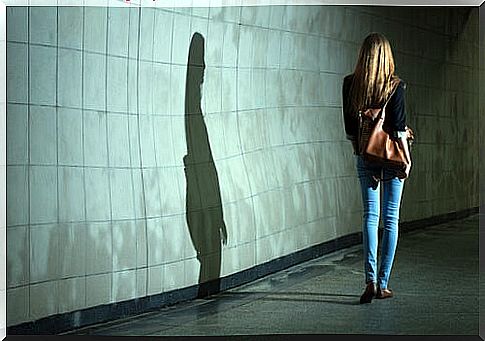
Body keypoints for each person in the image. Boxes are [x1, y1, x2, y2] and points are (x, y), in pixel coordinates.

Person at [341, 33, 412, 304]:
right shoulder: (395, 86)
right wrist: (406, 159)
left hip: (366, 156)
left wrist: (361, 154)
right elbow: (398, 129)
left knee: (370, 217)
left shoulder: (350, 84)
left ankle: (369, 281)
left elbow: (350, 129)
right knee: (391, 218)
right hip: (393, 158)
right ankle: (383, 283)